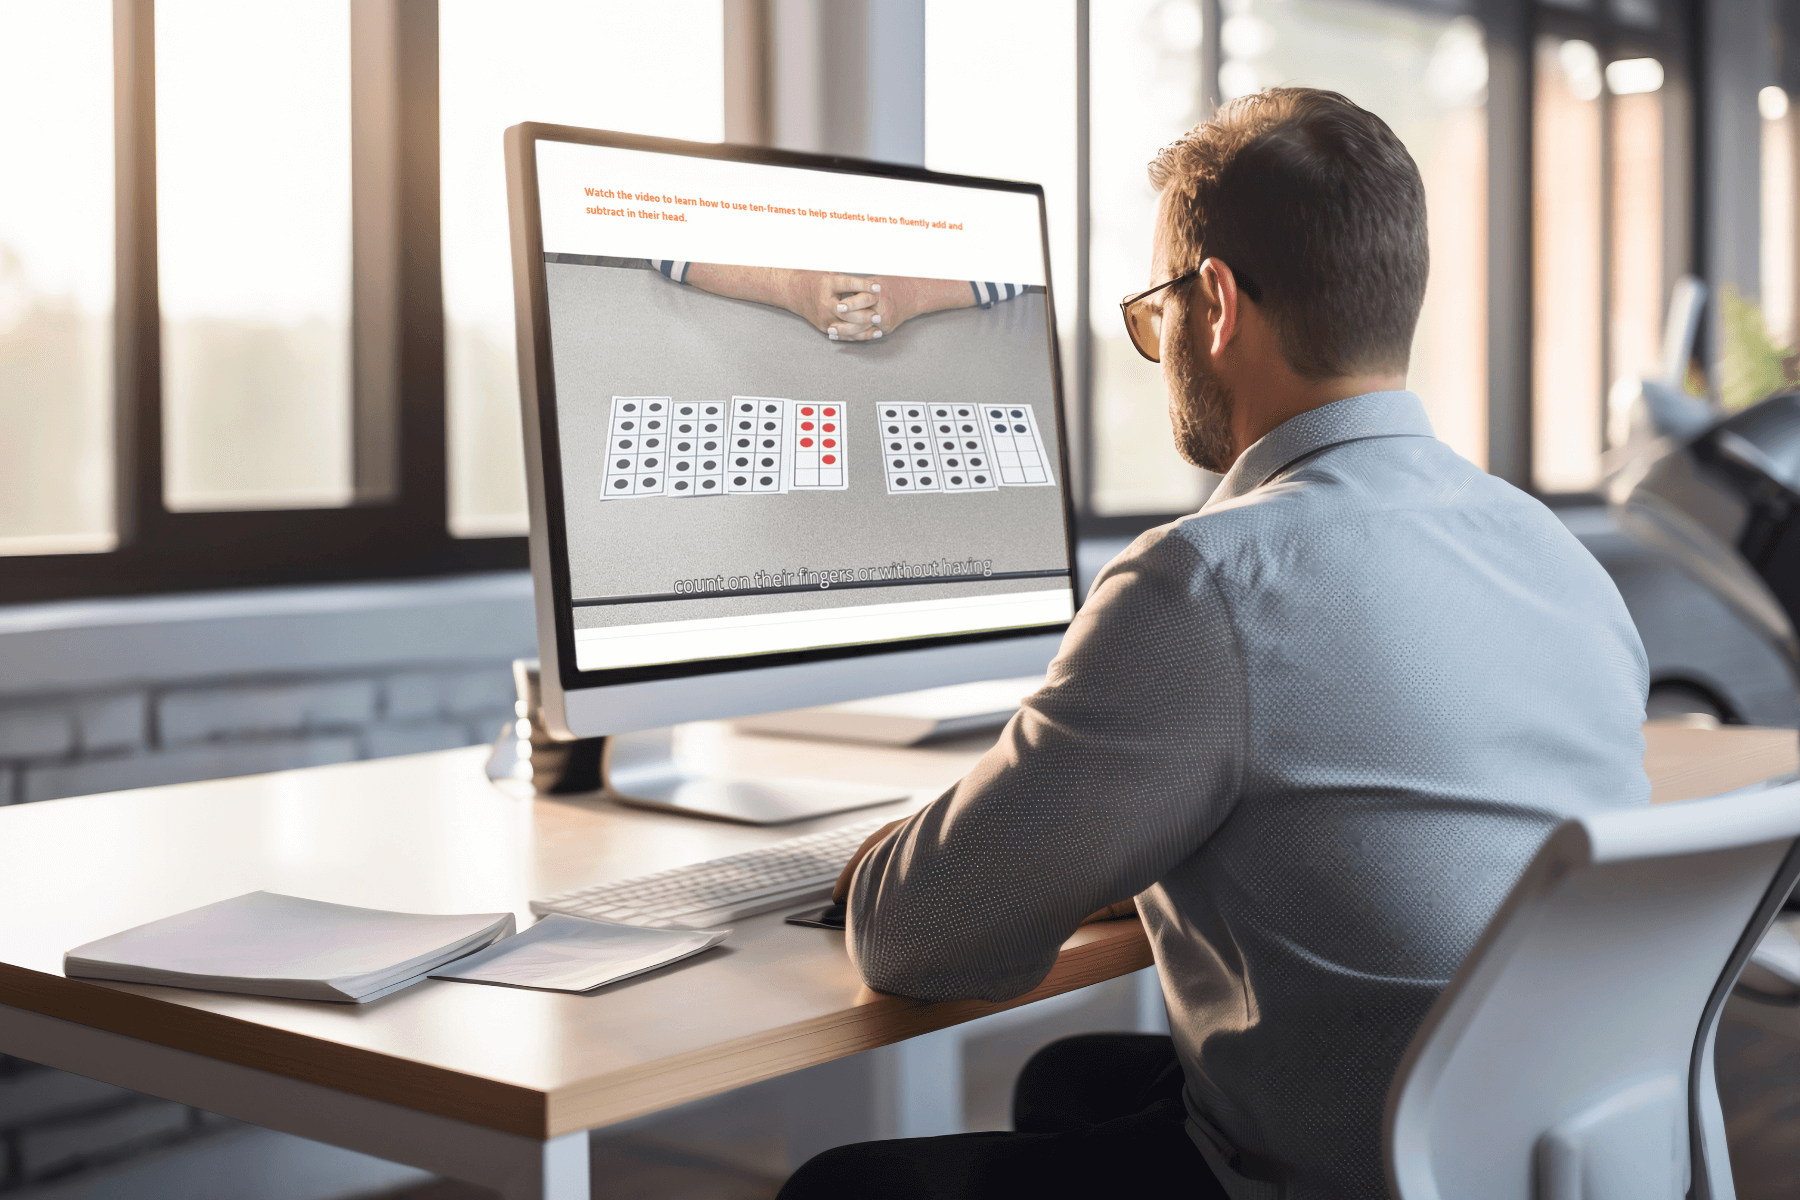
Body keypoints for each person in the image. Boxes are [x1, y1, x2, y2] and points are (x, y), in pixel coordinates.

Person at [778, 88, 1650, 1200]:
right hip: (1548, 1149)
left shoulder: (1207, 580)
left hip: (1352, 1175)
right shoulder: (1555, 553)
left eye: (1156, 310)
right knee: (1075, 1079)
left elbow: (920, 940)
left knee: (839, 1189)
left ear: (1218, 305)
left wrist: (884, 857)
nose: (1162, 345)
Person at [648, 260, 1029, 341]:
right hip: (751, 333)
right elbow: (656, 239)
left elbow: (1027, 260)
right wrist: (789, 285)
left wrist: (912, 292)